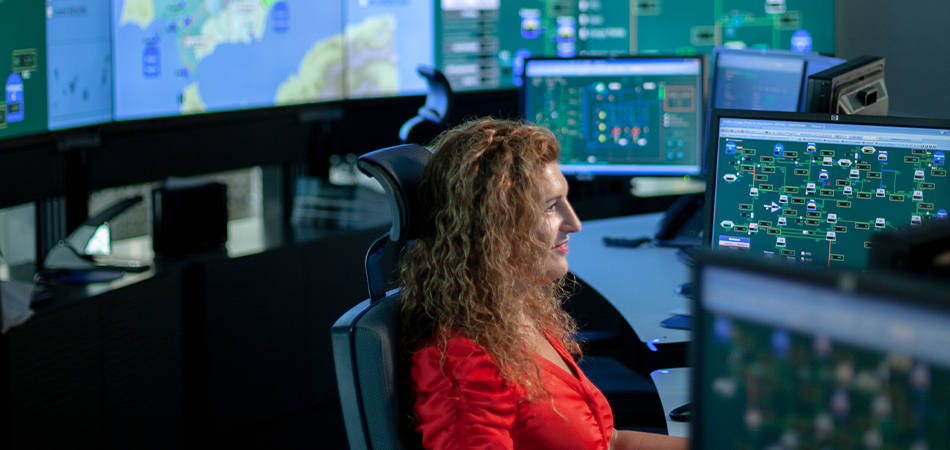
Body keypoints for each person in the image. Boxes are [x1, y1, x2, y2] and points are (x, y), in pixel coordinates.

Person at [398, 118, 689, 450]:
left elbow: (609, 442)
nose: (574, 224)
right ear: (495, 225)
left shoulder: (517, 312)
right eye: (551, 207)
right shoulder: (462, 362)